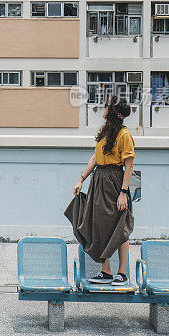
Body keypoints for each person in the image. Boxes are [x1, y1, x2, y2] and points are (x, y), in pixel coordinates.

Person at [64, 95, 135, 284]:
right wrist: (81, 179)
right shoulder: (105, 133)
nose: (102, 109)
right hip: (99, 180)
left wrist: (123, 193)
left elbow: (128, 167)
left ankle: (121, 273)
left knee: (120, 227)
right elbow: (95, 158)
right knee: (100, 225)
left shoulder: (124, 135)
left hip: (114, 180)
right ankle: (106, 272)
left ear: (113, 112)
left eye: (106, 107)